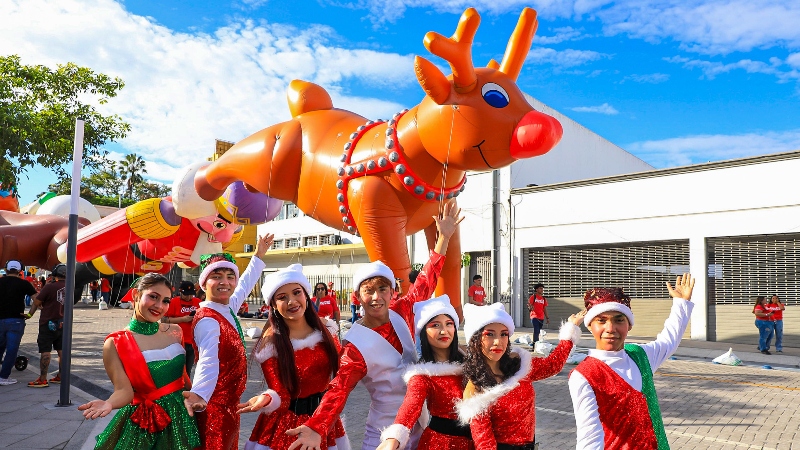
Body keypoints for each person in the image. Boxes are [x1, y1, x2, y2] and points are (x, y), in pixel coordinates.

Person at [287, 201, 463, 450]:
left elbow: (426, 280)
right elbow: (338, 390)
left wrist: (443, 237)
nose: (376, 297)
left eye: (382, 289)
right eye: (368, 291)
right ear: (357, 297)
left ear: (392, 292)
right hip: (384, 433)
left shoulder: (401, 310)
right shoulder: (354, 346)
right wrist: (317, 427)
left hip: (420, 426)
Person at [568, 274, 695, 449]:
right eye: (601, 320)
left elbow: (668, 341)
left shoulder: (640, 355)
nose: (610, 328)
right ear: (590, 326)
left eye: (619, 320)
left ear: (629, 325)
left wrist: (681, 303)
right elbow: (589, 438)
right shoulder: (584, 375)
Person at [77, 273, 202, 449]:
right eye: (153, 297)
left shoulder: (175, 331)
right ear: (136, 295)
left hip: (183, 417)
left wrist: (199, 397)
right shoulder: (116, 342)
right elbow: (124, 391)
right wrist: (109, 403)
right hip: (146, 424)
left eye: (166, 301)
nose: (159, 306)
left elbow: (183, 378)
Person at [238, 264, 348, 450]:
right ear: (273, 305)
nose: (292, 301)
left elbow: (343, 376)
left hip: (324, 420)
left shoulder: (327, 329)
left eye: (297, 293)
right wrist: (266, 398)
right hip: (289, 427)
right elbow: (280, 394)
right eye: (282, 297)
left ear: (306, 295)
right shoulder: (271, 343)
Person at [182, 233, 273, 450]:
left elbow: (245, 285)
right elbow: (208, 360)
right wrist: (199, 394)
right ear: (204, 283)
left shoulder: (226, 307)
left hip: (230, 406)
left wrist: (258, 256)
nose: (225, 282)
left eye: (230, 276)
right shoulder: (208, 320)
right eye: (217, 276)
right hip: (214, 409)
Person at [456, 303, 582, 450]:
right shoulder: (475, 387)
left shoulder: (520, 366)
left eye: (504, 334)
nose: (498, 341)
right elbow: (484, 443)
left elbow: (553, 365)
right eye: (489, 334)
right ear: (475, 340)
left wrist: (571, 329)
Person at [377, 295, 473, 450]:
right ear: (423, 332)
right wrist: (394, 437)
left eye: (449, 324)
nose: (444, 331)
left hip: (479, 441)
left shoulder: (472, 363)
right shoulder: (422, 375)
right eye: (435, 325)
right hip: (441, 444)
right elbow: (410, 407)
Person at [25, 263, 67, 387]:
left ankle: (43, 379)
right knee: (61, 350)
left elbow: (37, 301)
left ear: (55, 273)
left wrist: (30, 314)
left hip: (48, 322)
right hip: (63, 322)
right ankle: (61, 376)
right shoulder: (70, 286)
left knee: (45, 350)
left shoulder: (49, 287)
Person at [0, 260, 37, 386]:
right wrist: (30, 314)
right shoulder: (24, 284)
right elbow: (37, 300)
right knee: (12, 349)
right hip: (16, 320)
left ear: (6, 269)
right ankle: (3, 377)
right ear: (20, 271)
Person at [163, 281, 202, 375]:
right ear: (180, 292)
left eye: (191, 295)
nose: (189, 297)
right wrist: (183, 319)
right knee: (175, 369)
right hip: (176, 341)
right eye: (186, 295)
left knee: (188, 370)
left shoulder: (198, 302)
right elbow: (164, 320)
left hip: (192, 342)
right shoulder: (173, 302)